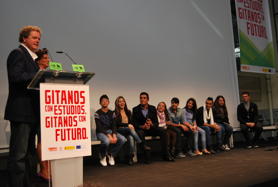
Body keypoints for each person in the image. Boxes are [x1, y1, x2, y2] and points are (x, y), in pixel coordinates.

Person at [4, 25, 41, 187]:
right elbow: (15, 77)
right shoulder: (17, 53)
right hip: (21, 112)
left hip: (31, 113)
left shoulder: (33, 59)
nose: (37, 41)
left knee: (28, 155)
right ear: (24, 38)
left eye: (39, 38)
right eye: (34, 38)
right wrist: (39, 73)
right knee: (18, 156)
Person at [132, 92, 167, 163]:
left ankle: (166, 154)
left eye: (144, 98)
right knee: (140, 132)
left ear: (148, 99)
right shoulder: (135, 109)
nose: (142, 99)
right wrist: (143, 126)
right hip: (142, 130)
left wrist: (151, 124)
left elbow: (156, 123)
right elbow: (134, 123)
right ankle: (147, 155)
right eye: (141, 98)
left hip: (151, 129)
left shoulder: (152, 108)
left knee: (163, 131)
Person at [95, 95, 127, 166]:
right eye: (103, 101)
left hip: (111, 131)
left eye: (106, 101)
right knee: (106, 141)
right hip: (100, 132)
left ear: (108, 102)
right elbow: (99, 127)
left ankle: (111, 154)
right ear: (100, 103)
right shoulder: (97, 113)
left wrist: (114, 135)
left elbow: (114, 125)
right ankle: (102, 156)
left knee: (123, 139)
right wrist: (109, 135)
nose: (104, 102)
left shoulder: (112, 113)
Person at [35, 48, 51, 181]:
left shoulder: (48, 74)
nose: (48, 60)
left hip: (49, 111)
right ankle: (43, 169)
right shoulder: (36, 73)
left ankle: (49, 168)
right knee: (42, 140)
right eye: (45, 58)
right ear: (39, 60)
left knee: (48, 140)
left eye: (48, 58)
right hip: (38, 110)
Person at [114, 96, 142, 165]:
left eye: (123, 101)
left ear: (125, 102)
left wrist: (131, 125)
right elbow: (117, 124)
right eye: (119, 101)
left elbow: (131, 122)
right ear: (117, 103)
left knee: (131, 138)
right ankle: (140, 143)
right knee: (129, 128)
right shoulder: (115, 113)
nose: (121, 103)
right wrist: (127, 125)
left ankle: (130, 157)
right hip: (119, 130)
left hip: (128, 131)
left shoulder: (128, 112)